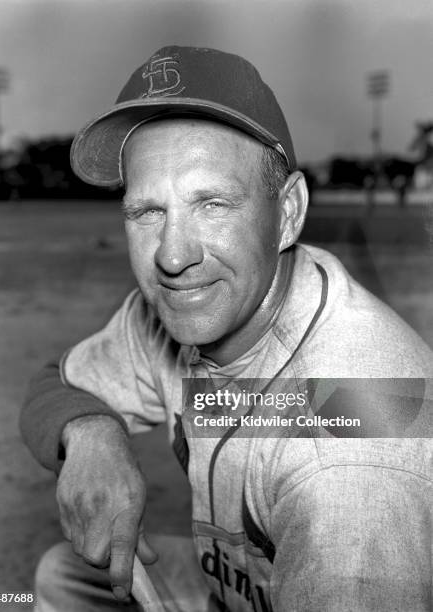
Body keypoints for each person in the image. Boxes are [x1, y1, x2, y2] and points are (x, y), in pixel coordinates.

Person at [21, 46, 433, 612]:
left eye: (211, 204)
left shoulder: (351, 464)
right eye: (147, 212)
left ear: (287, 212)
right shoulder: (179, 309)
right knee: (66, 577)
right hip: (237, 588)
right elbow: (55, 384)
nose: (171, 257)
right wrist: (91, 435)